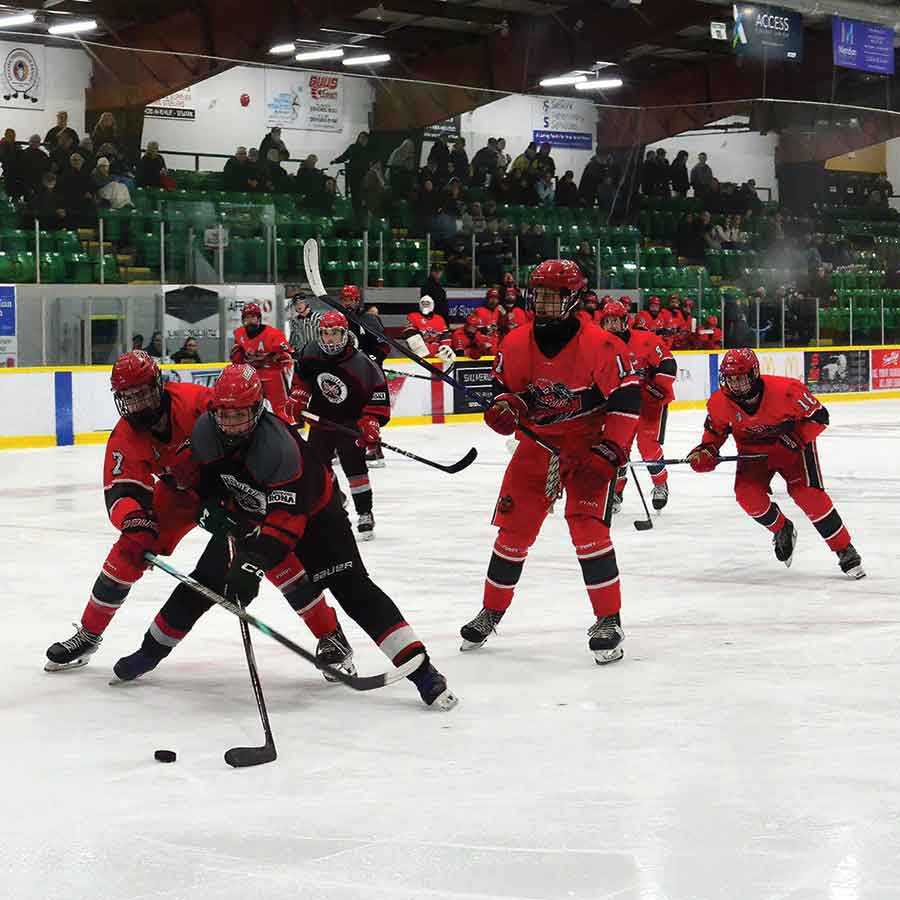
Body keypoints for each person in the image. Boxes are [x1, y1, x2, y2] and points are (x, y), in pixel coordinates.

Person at [116, 364, 458, 708]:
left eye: (239, 415)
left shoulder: (278, 449)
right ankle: (149, 652)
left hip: (316, 518)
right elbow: (200, 480)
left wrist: (251, 566)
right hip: (249, 514)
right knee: (204, 583)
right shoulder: (206, 431)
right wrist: (210, 507)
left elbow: (284, 526)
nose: (230, 424)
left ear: (257, 409)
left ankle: (423, 671)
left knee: (353, 590)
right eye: (224, 414)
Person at [459, 260, 640, 663]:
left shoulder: (602, 346)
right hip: (537, 446)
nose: (541, 302)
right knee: (512, 533)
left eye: (551, 295)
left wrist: (611, 450)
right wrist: (506, 409)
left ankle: (608, 619)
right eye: (538, 294)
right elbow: (507, 392)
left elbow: (627, 402)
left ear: (573, 298)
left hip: (588, 446)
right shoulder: (514, 343)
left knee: (588, 531)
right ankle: (491, 611)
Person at [44, 352, 211, 670]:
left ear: (158, 385)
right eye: (128, 397)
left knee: (269, 550)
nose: (137, 404)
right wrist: (134, 521)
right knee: (128, 549)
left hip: (229, 490)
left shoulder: (196, 402)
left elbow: (242, 433)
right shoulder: (125, 435)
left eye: (142, 394)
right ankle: (89, 634)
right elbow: (122, 490)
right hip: (178, 497)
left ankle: (319, 627)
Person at [687, 348, 864, 577]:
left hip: (793, 449)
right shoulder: (719, 403)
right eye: (730, 379)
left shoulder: (787, 391)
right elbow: (715, 433)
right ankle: (781, 528)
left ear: (753, 374)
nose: (735, 385)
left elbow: (820, 417)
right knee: (747, 496)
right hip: (753, 454)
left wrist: (793, 441)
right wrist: (707, 450)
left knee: (808, 495)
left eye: (740, 378)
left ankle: (843, 548)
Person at [287, 311, 390, 541]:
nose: (329, 338)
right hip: (321, 419)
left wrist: (371, 420)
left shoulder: (362, 363)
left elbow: (378, 394)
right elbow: (302, 378)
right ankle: (334, 497)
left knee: (355, 468)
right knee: (316, 467)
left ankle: (364, 513)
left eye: (334, 333)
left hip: (349, 422)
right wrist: (299, 396)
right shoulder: (311, 352)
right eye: (325, 333)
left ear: (345, 334)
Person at [600, 300, 677, 513]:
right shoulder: (600, 346)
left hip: (649, 403)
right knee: (617, 448)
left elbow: (668, 364)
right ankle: (616, 492)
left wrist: (656, 388)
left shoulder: (646, 340)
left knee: (647, 445)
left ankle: (660, 484)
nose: (612, 325)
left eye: (616, 321)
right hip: (621, 405)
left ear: (625, 321)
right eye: (608, 321)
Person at [230, 302, 294, 422]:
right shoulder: (239, 334)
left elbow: (288, 354)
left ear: (259, 318)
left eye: (253, 317)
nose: (250, 321)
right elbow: (237, 358)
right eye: (247, 318)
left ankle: (287, 428)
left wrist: (275, 356)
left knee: (281, 408)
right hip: (251, 375)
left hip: (273, 373)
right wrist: (239, 357)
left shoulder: (273, 334)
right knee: (247, 406)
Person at [337, 284, 390, 364]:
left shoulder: (370, 319)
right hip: (345, 363)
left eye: (351, 299)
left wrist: (375, 359)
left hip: (367, 363)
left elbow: (384, 345)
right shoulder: (338, 320)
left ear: (357, 300)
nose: (347, 303)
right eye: (344, 300)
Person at [331, 131, 370, 213]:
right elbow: (345, 156)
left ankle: (362, 210)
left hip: (364, 175)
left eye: (365, 138)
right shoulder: (353, 147)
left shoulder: (369, 149)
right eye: (361, 137)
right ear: (358, 138)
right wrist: (335, 161)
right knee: (355, 193)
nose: (363, 139)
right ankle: (356, 211)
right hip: (354, 174)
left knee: (362, 193)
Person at [287, 291, 322, 355]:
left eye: (301, 302)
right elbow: (292, 340)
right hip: (302, 354)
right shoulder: (294, 321)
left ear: (307, 303)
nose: (298, 305)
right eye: (296, 303)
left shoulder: (317, 318)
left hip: (317, 353)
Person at [474, 287, 503, 353]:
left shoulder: (500, 311)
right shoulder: (479, 311)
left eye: (496, 298)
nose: (493, 300)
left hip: (497, 343)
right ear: (487, 299)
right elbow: (475, 331)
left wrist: (504, 316)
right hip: (484, 344)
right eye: (491, 297)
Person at [21, 134, 49, 200]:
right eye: (34, 141)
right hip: (28, 183)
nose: (35, 143)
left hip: (38, 183)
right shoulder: (23, 153)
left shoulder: (43, 155)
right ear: (30, 142)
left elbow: (47, 168)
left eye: (37, 142)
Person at [0, 128, 24, 200]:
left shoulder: (14, 146)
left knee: (13, 193)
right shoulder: (3, 146)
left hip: (15, 173)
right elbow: (4, 158)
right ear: (6, 136)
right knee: (8, 193)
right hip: (9, 173)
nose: (12, 138)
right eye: (10, 136)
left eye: (13, 136)